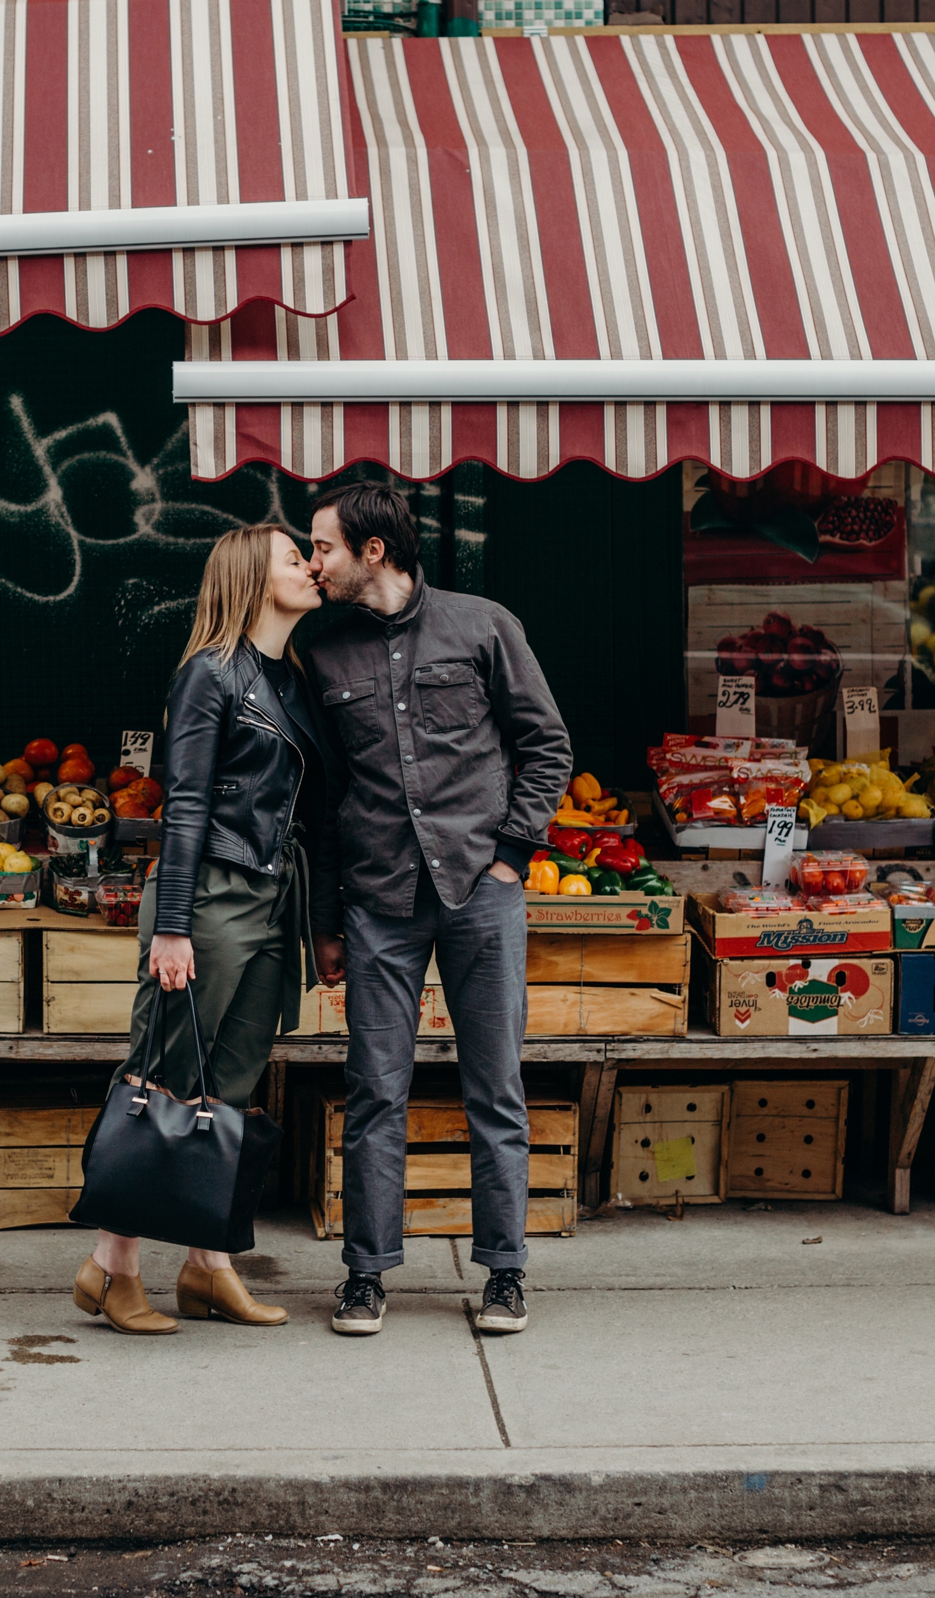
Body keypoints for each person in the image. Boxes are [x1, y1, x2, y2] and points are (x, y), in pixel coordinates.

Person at [301, 483, 573, 1337]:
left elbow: (547, 744)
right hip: (379, 898)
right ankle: (365, 1274)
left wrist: (511, 857)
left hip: (479, 894)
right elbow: (325, 793)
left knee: (495, 1085)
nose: (314, 564)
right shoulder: (323, 648)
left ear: (373, 550)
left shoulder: (484, 624)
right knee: (374, 1090)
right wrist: (326, 918)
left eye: (324, 548)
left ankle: (504, 1273)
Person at [71, 523, 341, 1335]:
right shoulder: (207, 674)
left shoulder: (291, 678)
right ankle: (110, 1268)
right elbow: (184, 803)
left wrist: (319, 923)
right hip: (212, 894)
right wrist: (174, 925)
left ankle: (206, 1266)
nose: (311, 566)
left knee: (228, 1085)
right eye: (296, 559)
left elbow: (314, 816)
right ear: (253, 578)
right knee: (164, 1077)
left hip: (271, 901)